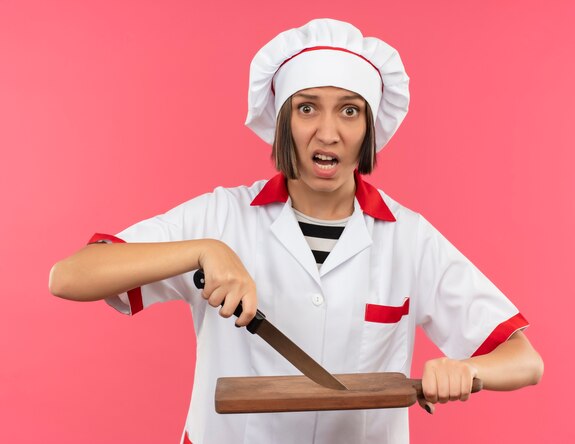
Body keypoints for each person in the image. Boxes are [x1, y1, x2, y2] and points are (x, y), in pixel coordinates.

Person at [49, 18, 543, 444]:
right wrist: (203, 251)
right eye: (307, 108)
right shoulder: (221, 216)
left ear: (369, 128)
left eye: (349, 110)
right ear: (284, 122)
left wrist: (469, 370)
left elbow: (525, 360)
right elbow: (70, 276)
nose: (327, 132)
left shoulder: (409, 238)